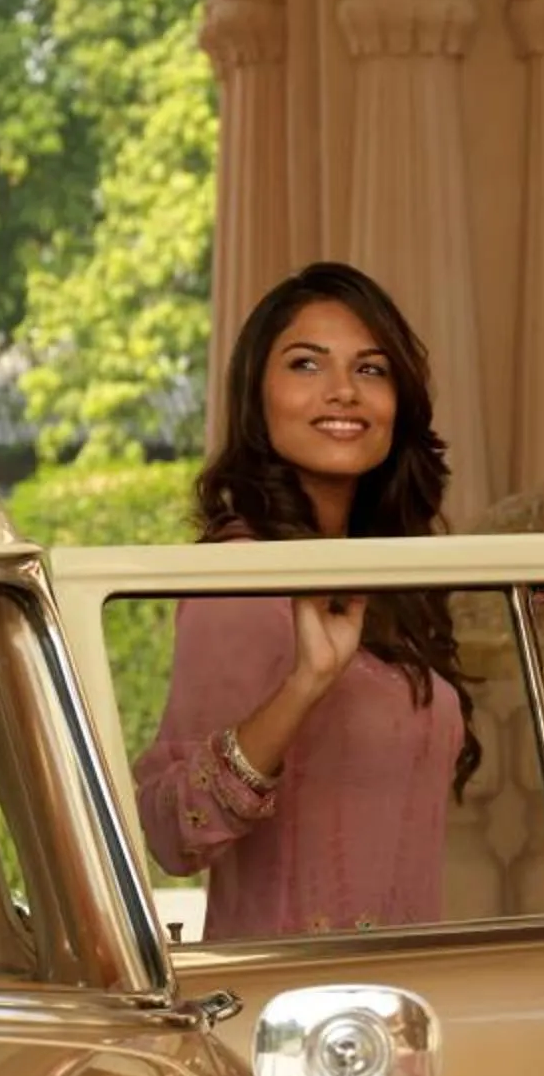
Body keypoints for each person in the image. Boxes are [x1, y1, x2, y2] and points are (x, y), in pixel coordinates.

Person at [135, 263, 479, 939]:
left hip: (399, 1007)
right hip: (295, 1021)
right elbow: (172, 833)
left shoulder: (383, 579)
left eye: (372, 370)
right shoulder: (239, 581)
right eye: (306, 365)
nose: (344, 391)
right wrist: (306, 684)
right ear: (257, 397)